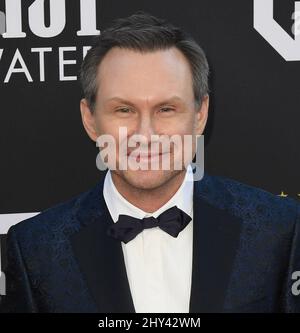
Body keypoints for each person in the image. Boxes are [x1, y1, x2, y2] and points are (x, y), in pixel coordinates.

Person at [1, 11, 300, 313]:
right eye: (124, 110)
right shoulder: (34, 249)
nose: (145, 134)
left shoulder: (278, 229)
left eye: (166, 109)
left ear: (200, 115)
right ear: (90, 119)